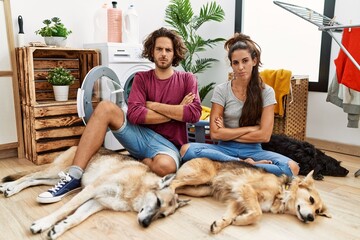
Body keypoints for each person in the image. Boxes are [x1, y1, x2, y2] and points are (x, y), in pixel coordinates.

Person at [37, 27, 202, 204]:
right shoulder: (141, 78)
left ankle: (140, 161)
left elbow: (193, 114)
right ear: (152, 52)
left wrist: (153, 105)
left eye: (168, 50)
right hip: (139, 135)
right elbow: (136, 114)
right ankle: (74, 176)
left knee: (165, 167)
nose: (163, 54)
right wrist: (177, 111)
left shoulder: (187, 79)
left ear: (175, 53)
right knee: (106, 107)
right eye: (159, 49)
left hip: (168, 146)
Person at [180, 33, 299, 177]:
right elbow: (215, 133)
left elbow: (265, 135)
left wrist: (226, 133)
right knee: (186, 150)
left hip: (254, 151)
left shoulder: (267, 92)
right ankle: (246, 165)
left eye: (245, 61)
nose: (240, 67)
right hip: (223, 150)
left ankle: (230, 166)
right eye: (235, 63)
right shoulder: (221, 90)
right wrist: (251, 129)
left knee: (292, 168)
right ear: (231, 65)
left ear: (254, 61)